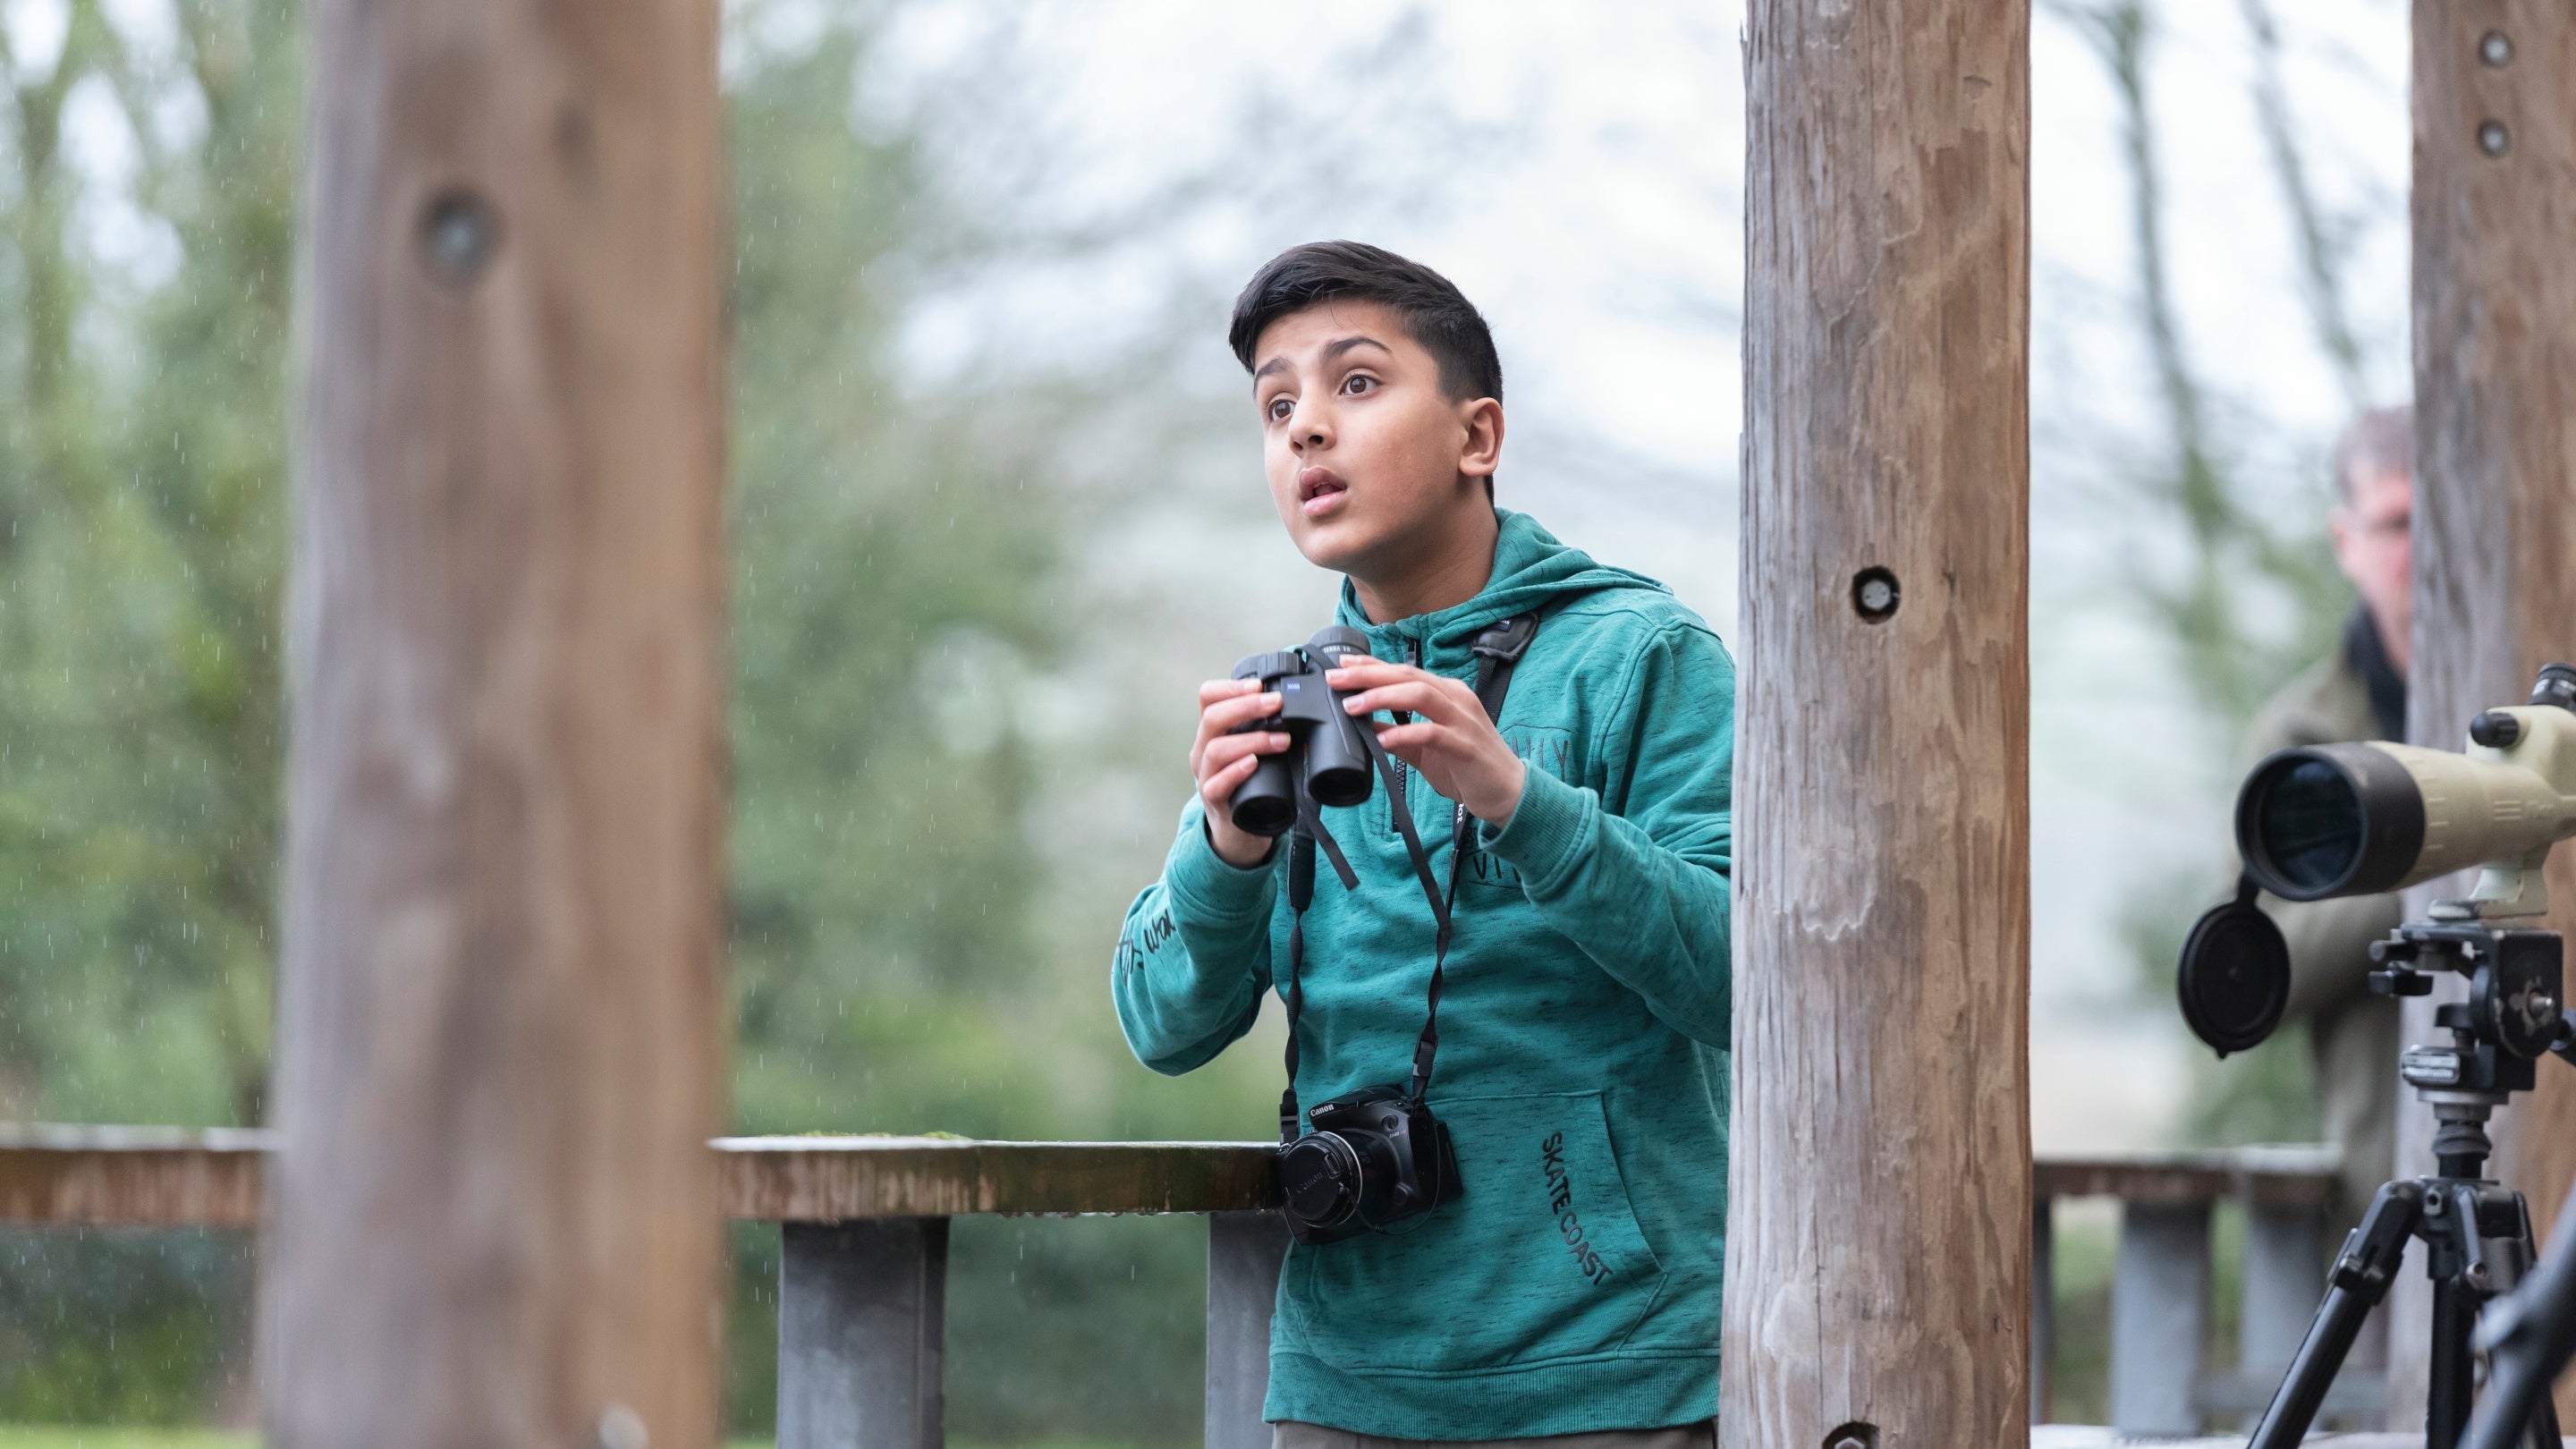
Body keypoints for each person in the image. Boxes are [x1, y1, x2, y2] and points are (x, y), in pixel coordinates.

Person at [1110, 242, 1732, 1448]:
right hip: (1346, 1372)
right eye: (1276, 405)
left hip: (1614, 1369)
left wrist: (1518, 801)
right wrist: (1224, 846)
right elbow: (1162, 1027)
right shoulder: (1293, 707)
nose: (1305, 433)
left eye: (1354, 385)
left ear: (1477, 435)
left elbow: (1741, 979)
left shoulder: (1643, 656)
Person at [2243, 404, 2413, 1222]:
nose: (2422, 550)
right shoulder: (2306, 733)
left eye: (2443, 519)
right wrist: (2416, 873)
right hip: (2389, 1189)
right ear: (2347, 542)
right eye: (2397, 523)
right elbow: (2252, 969)